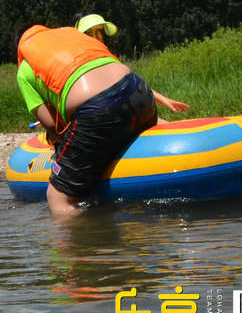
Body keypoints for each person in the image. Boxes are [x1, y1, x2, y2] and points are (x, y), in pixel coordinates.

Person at [17, 24, 188, 218]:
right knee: (138, 121)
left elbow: (52, 126)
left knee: (57, 197)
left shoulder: (24, 68)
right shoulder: (73, 37)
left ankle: (91, 244)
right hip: (139, 91)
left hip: (99, 110)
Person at [75, 13, 191, 117]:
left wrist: (165, 100)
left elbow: (131, 83)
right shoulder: (76, 62)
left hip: (122, 112)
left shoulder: (106, 57)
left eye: (99, 31)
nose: (97, 37)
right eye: (90, 33)